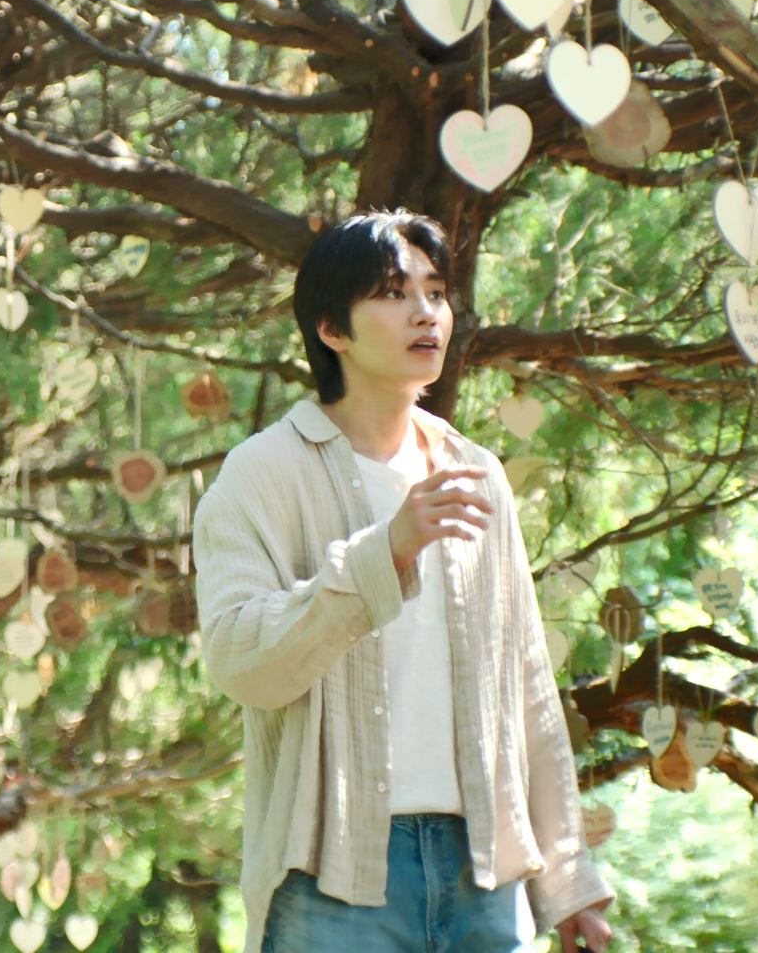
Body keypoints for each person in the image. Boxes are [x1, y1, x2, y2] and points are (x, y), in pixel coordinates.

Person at [193, 211, 614, 952]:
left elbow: (525, 685)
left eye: (436, 292)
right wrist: (382, 554)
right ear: (332, 328)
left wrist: (567, 881)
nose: (425, 312)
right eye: (393, 292)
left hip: (486, 873)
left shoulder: (476, 473)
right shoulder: (262, 472)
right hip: (332, 878)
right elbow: (238, 661)